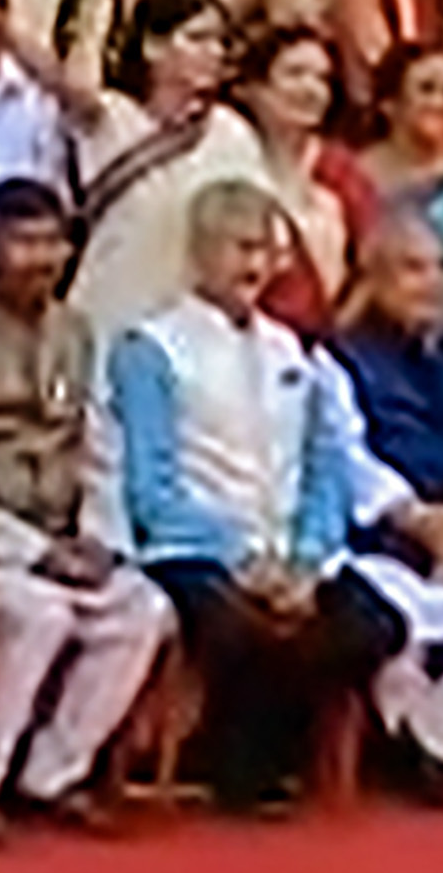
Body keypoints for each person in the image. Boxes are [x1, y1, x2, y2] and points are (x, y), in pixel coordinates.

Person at [111, 177, 409, 812]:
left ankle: (264, 757)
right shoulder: (152, 348)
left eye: (265, 251)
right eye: (239, 248)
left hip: (292, 551)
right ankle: (232, 767)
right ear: (201, 253)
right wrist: (242, 557)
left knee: (376, 625)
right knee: (238, 628)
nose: (254, 265)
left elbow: (324, 466)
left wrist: (306, 557)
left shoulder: (292, 348)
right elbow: (150, 486)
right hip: (196, 548)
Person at [0, 178, 168, 834]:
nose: (41, 258)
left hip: (65, 537)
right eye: (23, 242)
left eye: (53, 243)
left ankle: (54, 773)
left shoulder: (79, 332)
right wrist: (37, 554)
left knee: (142, 609)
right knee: (37, 614)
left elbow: (99, 451)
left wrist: (99, 540)